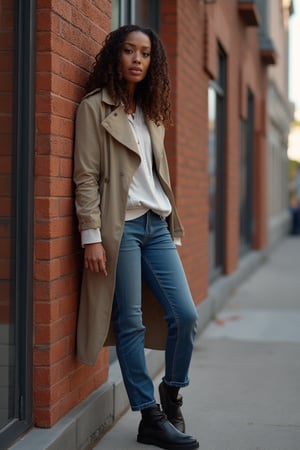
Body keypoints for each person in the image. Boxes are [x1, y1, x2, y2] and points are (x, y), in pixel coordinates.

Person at [73, 24, 199, 450]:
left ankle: (172, 391)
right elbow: (86, 178)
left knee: (185, 315)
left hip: (156, 227)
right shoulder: (95, 108)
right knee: (130, 323)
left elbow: (156, 176)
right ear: (116, 57)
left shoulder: (152, 111)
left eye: (145, 54)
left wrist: (171, 225)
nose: (137, 60)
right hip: (119, 229)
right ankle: (149, 416)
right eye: (129, 51)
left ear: (153, 62)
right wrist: (91, 235)